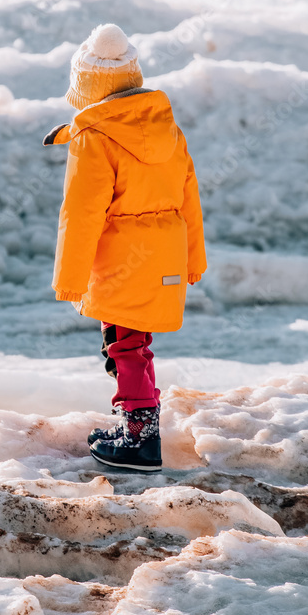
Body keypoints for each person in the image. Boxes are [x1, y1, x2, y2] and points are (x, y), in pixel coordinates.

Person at [43, 23, 206, 472]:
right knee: (136, 340)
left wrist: (70, 279)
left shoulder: (94, 138)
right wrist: (194, 260)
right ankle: (136, 424)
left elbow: (81, 213)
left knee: (123, 341)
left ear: (88, 87)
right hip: (165, 255)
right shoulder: (168, 130)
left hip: (122, 257)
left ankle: (139, 436)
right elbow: (189, 198)